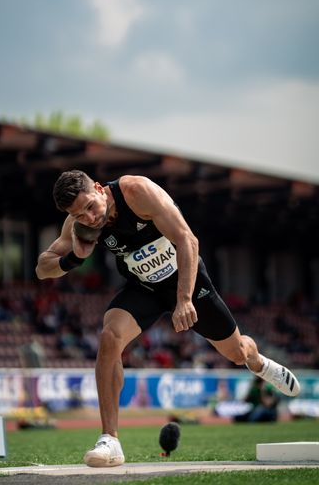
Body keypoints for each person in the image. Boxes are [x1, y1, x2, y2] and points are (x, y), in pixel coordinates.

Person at [36, 170, 301, 467]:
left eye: (90, 206)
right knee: (110, 336)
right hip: (144, 288)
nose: (89, 218)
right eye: (79, 214)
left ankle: (260, 363)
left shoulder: (136, 192)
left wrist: (184, 299)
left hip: (186, 280)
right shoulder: (77, 223)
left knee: (237, 352)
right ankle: (110, 439)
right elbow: (42, 268)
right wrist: (73, 259)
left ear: (98, 189)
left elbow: (187, 239)